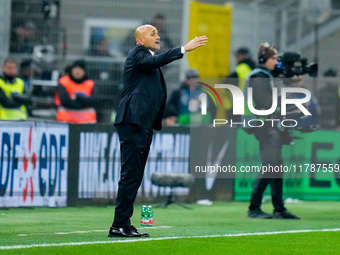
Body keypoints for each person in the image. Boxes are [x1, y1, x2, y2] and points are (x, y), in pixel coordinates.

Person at [109, 24, 207, 238]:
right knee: (130, 175)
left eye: (157, 32)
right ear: (139, 40)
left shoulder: (146, 59)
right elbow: (155, 61)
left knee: (134, 175)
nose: (158, 35)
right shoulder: (138, 54)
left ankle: (123, 222)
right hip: (133, 121)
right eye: (152, 33)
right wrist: (183, 49)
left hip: (141, 123)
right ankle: (119, 225)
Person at [244, 43, 300, 219]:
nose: (277, 62)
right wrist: (288, 105)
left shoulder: (265, 75)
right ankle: (254, 208)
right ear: (264, 60)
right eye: (273, 59)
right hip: (263, 126)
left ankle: (279, 208)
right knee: (270, 166)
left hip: (268, 125)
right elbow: (267, 104)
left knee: (277, 167)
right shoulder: (259, 77)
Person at [224, 47, 255, 121]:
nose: (236, 58)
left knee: (236, 129)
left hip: (238, 105)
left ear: (243, 56)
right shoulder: (254, 68)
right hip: (252, 105)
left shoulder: (241, 68)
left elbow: (228, 82)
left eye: (238, 56)